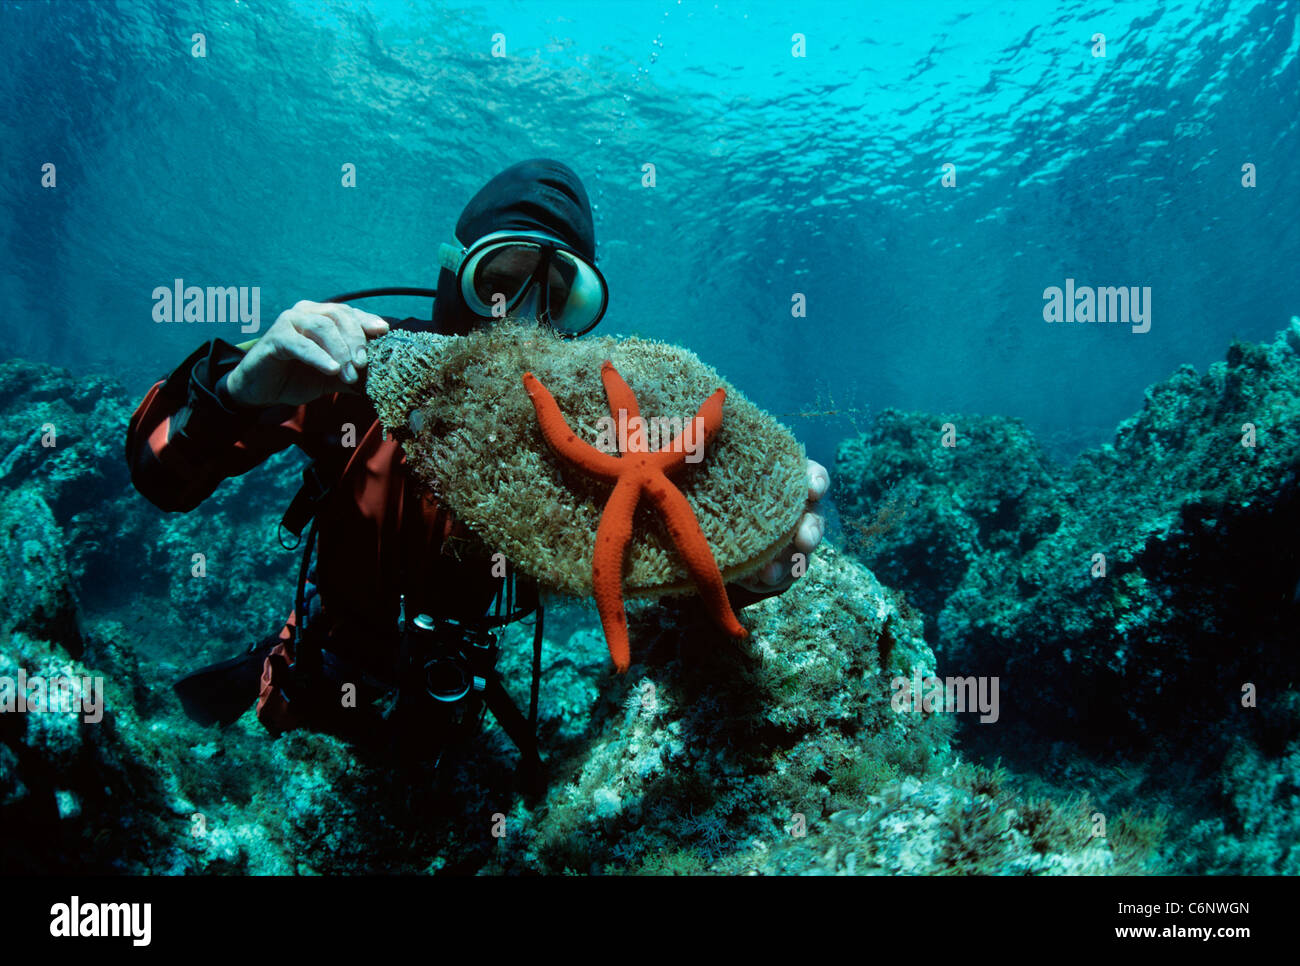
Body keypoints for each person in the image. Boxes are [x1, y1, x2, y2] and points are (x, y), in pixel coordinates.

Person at [126, 158, 828, 771]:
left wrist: (740, 571)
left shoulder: (590, 439)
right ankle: (264, 663)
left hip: (456, 697)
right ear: (455, 271)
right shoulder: (352, 376)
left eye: (554, 299)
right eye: (502, 281)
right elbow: (163, 479)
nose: (520, 319)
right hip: (326, 676)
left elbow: (652, 556)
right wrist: (237, 390)